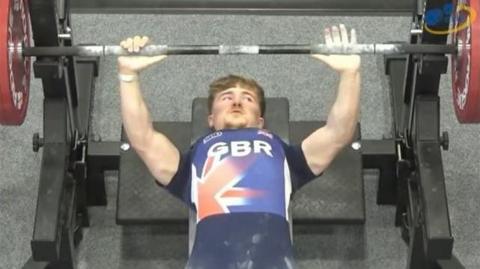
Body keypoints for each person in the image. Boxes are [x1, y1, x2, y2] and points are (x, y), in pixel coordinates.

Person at [117, 24, 360, 269]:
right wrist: (128, 76)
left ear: (261, 122)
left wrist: (350, 74)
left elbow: (337, 133)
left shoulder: (284, 155)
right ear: (210, 119)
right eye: (226, 98)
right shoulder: (194, 160)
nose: (236, 102)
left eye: (248, 98)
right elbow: (143, 139)